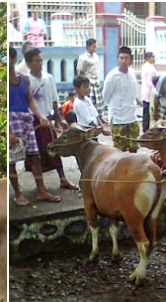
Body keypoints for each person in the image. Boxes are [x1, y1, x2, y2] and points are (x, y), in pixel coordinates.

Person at [8, 46, 60, 206]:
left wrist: (40, 116)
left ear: (14, 58)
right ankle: (18, 194)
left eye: (9, 57)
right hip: (10, 120)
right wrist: (8, 132)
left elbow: (30, 100)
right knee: (12, 161)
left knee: (35, 157)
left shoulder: (24, 79)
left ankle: (42, 191)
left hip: (27, 119)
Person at [23, 48, 76, 190]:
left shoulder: (48, 78)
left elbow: (54, 99)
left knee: (55, 150)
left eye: (41, 60)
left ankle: (63, 179)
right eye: (36, 60)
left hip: (47, 120)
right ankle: (41, 187)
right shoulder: (26, 80)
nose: (40, 63)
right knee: (36, 155)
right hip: (34, 122)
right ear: (28, 63)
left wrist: (59, 119)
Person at [103, 46, 141, 152]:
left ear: (130, 60)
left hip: (131, 116)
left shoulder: (132, 74)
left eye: (126, 58)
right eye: (121, 58)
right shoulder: (112, 77)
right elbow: (106, 96)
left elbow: (133, 93)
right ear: (118, 59)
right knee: (120, 149)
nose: (123, 61)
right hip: (118, 118)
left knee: (134, 146)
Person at [77, 38, 104, 120]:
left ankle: (100, 118)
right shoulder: (83, 58)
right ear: (88, 47)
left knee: (99, 102)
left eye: (95, 47)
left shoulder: (96, 56)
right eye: (93, 47)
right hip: (88, 82)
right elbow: (80, 71)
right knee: (90, 102)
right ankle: (90, 118)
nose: (95, 49)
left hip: (96, 81)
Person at [141, 51, 157, 133]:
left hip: (145, 92)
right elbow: (150, 82)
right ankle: (146, 129)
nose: (153, 59)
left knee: (145, 112)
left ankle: (145, 128)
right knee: (148, 112)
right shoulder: (150, 68)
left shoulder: (145, 66)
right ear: (147, 58)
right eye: (152, 57)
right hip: (149, 92)